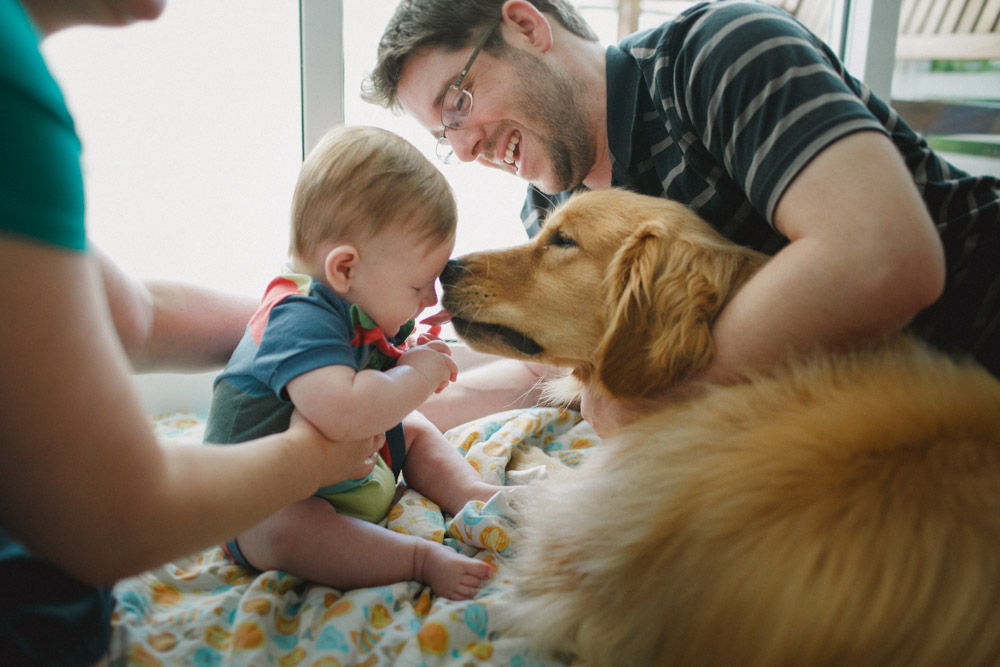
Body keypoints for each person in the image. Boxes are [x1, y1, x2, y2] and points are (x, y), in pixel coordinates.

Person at [362, 0, 999, 435]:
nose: (467, 149)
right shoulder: (552, 204)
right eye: (447, 139)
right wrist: (389, 407)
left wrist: (653, 392)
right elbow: (549, 364)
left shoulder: (717, 53)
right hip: (874, 422)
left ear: (527, 25)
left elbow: (883, 257)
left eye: (458, 102)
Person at [0, 1, 381, 664]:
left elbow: (136, 313)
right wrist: (315, 457)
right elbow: (113, 515)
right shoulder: (11, 90)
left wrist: (311, 328)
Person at [205, 125, 502, 600]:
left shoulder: (358, 305)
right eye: (417, 285)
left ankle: (470, 494)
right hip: (268, 497)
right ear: (345, 268)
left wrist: (415, 345)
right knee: (283, 532)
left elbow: (383, 367)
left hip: (346, 472)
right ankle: (416, 559)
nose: (429, 298)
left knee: (418, 429)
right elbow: (345, 413)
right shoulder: (297, 317)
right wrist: (419, 374)